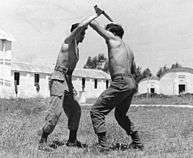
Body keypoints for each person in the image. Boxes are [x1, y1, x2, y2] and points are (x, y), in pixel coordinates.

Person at [38, 11, 103, 151]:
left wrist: (71, 86)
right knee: (55, 112)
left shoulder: (77, 50)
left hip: (66, 81)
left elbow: (70, 72)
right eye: (82, 32)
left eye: (85, 32)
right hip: (58, 79)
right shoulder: (67, 42)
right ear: (76, 32)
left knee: (75, 110)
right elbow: (80, 27)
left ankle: (72, 141)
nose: (84, 35)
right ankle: (42, 142)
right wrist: (95, 15)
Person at [89, 21, 144, 151]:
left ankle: (103, 145)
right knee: (120, 114)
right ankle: (137, 142)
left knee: (96, 111)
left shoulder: (113, 40)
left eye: (108, 32)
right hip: (131, 82)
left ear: (113, 33)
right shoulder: (128, 49)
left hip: (121, 80)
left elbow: (95, 26)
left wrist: (93, 16)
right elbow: (134, 70)